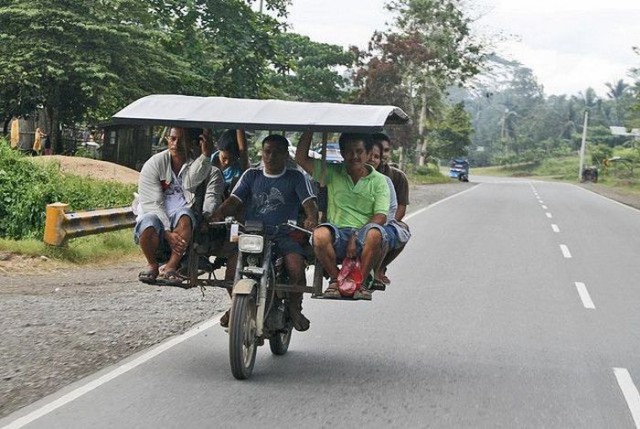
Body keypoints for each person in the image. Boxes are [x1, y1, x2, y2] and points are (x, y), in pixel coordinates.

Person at [211, 134, 318, 331]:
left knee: (295, 267)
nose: (270, 156)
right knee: (231, 269)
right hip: (252, 234)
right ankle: (236, 305)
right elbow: (234, 201)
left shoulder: (296, 177)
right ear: (262, 153)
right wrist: (216, 215)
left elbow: (309, 204)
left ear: (286, 155)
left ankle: (294, 308)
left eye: (277, 152)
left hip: (284, 235)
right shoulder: (251, 175)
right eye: (267, 151)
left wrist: (311, 218)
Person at [295, 131, 389, 300]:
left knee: (375, 234)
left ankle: (360, 283)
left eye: (359, 152)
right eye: (349, 152)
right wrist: (310, 127)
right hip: (337, 235)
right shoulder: (332, 172)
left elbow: (381, 216)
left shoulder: (379, 180)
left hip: (364, 235)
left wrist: (355, 236)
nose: (354, 156)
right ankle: (335, 279)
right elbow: (301, 159)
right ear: (342, 153)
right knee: (319, 235)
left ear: (368, 154)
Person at [134, 127, 224, 286]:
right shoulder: (154, 164)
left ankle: (171, 266)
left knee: (184, 215)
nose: (175, 144)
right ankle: (152, 265)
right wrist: (167, 232)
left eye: (181, 140)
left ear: (193, 143)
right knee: (148, 221)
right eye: (172, 139)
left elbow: (192, 183)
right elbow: (152, 203)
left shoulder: (203, 167)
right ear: (167, 139)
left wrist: (205, 156)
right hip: (157, 219)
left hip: (184, 223)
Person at [366, 138, 411, 285]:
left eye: (384, 151)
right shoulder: (351, 174)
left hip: (384, 219)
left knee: (390, 232)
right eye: (370, 155)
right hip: (359, 220)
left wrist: (385, 221)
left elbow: (399, 208)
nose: (373, 159)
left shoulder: (394, 178)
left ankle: (379, 267)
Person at [211, 129, 250, 197]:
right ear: (218, 149)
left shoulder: (238, 168)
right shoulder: (208, 161)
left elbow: (243, 150)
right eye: (224, 158)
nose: (227, 162)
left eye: (232, 159)